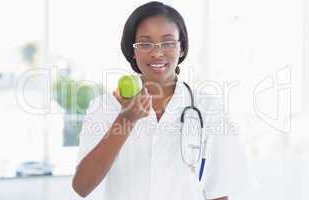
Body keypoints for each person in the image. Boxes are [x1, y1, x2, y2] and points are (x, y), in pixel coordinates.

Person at [72, 1, 248, 200]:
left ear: (181, 48)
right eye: (145, 43)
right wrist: (126, 120)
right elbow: (82, 186)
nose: (157, 52)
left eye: (168, 42)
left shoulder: (208, 108)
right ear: (133, 51)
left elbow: (219, 190)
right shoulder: (104, 107)